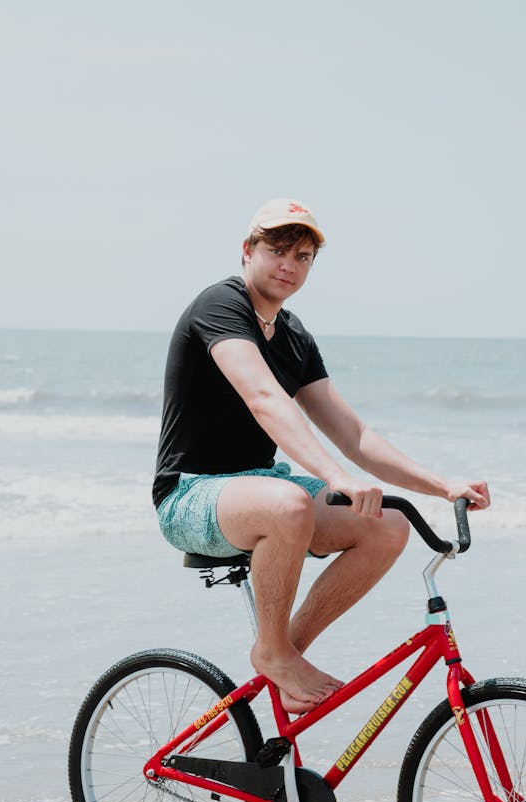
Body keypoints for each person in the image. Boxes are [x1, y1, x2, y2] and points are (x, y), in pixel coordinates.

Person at [153, 198, 490, 714]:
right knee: (288, 503)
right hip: (191, 493)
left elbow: (353, 433)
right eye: (278, 250)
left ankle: (284, 657)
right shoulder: (219, 305)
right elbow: (263, 398)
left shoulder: (294, 336)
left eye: (303, 256)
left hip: (264, 483)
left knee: (387, 525)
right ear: (248, 251)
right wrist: (336, 476)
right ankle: (273, 651)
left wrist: (443, 486)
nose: (289, 264)